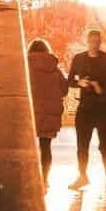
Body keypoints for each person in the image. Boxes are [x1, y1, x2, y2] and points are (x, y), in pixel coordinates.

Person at [67, 28, 106, 193]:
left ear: (101, 42)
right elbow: (70, 80)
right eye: (92, 42)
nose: (95, 45)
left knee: (105, 146)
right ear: (87, 41)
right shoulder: (79, 59)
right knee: (81, 145)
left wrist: (101, 88)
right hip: (84, 108)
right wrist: (80, 83)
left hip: (103, 108)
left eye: (97, 42)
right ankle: (82, 176)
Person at [27, 38, 70, 184]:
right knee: (46, 148)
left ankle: (31, 180)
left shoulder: (25, 66)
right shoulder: (54, 68)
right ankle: (45, 179)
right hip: (49, 115)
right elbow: (64, 90)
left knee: (28, 149)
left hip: (30, 114)